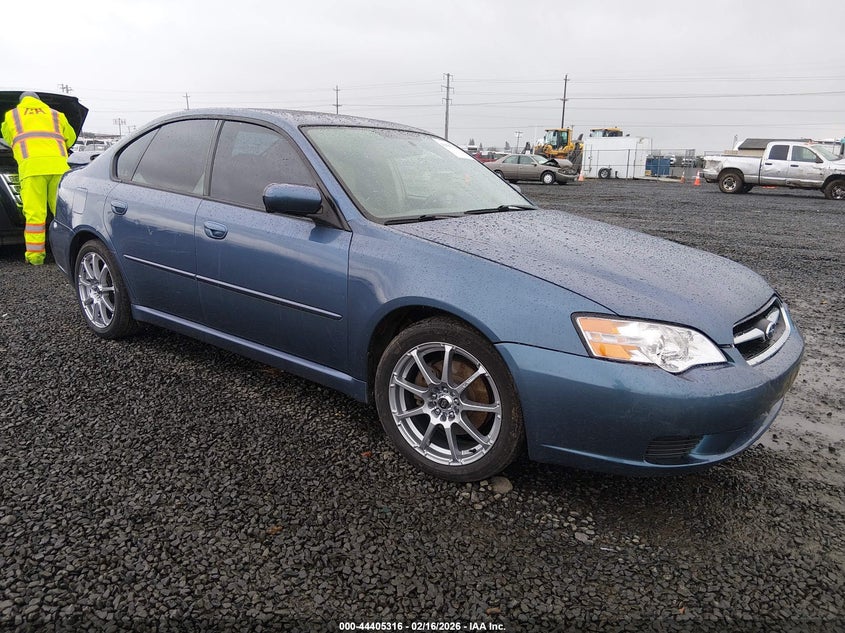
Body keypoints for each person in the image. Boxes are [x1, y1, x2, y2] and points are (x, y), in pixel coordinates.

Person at [1, 92, 76, 265]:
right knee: (62, 213)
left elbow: (7, 137)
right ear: (39, 101)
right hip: (59, 168)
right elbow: (70, 139)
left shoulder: (12, 115)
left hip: (32, 169)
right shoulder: (57, 115)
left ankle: (35, 258)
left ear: (22, 102)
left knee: (35, 215)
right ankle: (68, 256)